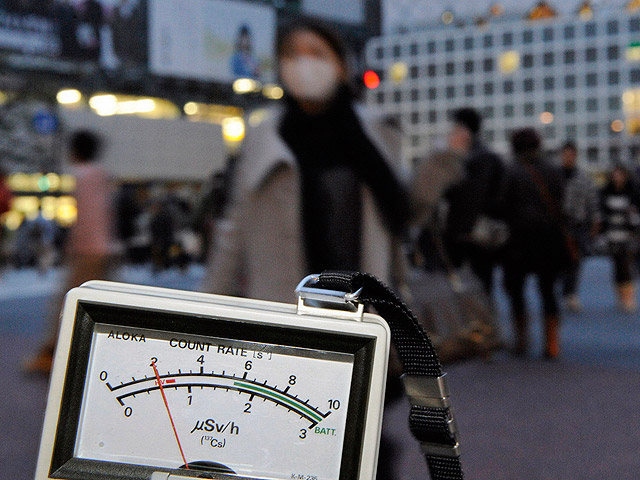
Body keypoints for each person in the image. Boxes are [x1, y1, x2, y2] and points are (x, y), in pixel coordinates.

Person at [202, 20, 410, 303]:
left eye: (316, 53)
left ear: (341, 66)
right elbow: (235, 228)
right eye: (292, 54)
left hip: (362, 307)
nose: (303, 64)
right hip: (285, 308)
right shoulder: (264, 137)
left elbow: (404, 211)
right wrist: (207, 304)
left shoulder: (377, 131)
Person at [24, 130, 115, 374]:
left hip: (88, 250)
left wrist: (73, 247)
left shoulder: (83, 175)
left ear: (75, 151)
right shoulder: (101, 174)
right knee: (97, 305)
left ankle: (52, 354)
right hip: (103, 249)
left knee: (66, 303)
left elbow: (86, 219)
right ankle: (87, 355)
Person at [499, 128, 568, 359]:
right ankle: (552, 344)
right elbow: (562, 201)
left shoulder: (511, 171)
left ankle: (521, 340)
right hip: (549, 237)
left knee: (516, 289)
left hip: (518, 239)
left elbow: (501, 203)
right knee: (548, 290)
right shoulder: (553, 170)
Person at [442, 107, 505, 294]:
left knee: (458, 287)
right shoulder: (490, 157)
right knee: (483, 285)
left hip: (465, 233)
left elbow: (463, 196)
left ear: (463, 129)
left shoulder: (466, 159)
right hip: (483, 232)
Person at [559, 141, 601, 313]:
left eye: (570, 154)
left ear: (575, 155)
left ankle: (571, 294)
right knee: (559, 261)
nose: (567, 158)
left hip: (578, 225)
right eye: (565, 154)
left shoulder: (583, 178)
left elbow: (592, 202)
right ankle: (564, 291)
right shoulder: (554, 175)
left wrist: (595, 223)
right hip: (558, 226)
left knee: (575, 261)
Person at [599, 164, 640, 313]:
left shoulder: (633, 192)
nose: (617, 177)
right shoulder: (605, 192)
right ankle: (620, 293)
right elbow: (601, 213)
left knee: (626, 265)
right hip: (612, 234)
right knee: (617, 265)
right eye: (615, 174)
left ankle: (629, 297)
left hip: (628, 234)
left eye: (620, 174)